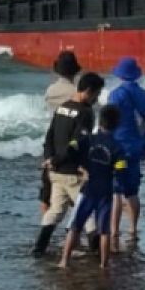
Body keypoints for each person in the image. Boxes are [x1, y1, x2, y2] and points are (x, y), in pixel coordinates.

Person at [33, 72, 105, 257]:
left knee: (55, 210)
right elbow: (77, 143)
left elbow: (49, 136)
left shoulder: (62, 108)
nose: (97, 99)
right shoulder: (86, 113)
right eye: (97, 94)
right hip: (73, 172)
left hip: (55, 171)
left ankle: (38, 249)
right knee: (87, 211)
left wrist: (50, 159)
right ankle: (95, 251)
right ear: (89, 91)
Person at [59, 104, 127, 269]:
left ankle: (64, 261)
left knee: (76, 225)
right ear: (117, 124)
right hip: (105, 190)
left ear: (99, 122)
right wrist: (118, 181)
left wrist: (79, 166)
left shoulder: (88, 140)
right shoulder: (118, 147)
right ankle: (104, 264)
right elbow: (121, 170)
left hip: (88, 188)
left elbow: (71, 148)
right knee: (104, 230)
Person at [107, 56, 145, 248]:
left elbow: (110, 122)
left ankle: (114, 231)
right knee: (133, 191)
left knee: (116, 191)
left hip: (119, 147)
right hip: (137, 148)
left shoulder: (116, 95)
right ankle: (133, 229)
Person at [40, 51, 81, 219]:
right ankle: (74, 231)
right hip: (71, 142)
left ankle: (45, 227)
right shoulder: (76, 92)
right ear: (75, 71)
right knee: (74, 191)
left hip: (51, 142)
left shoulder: (50, 91)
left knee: (46, 193)